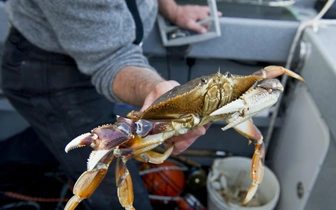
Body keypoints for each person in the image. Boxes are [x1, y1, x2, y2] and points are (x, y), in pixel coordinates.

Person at [1, 0, 219, 209]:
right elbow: (111, 59)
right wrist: (156, 90)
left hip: (96, 48)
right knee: (116, 193)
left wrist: (172, 9)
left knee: (67, 139)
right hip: (50, 69)